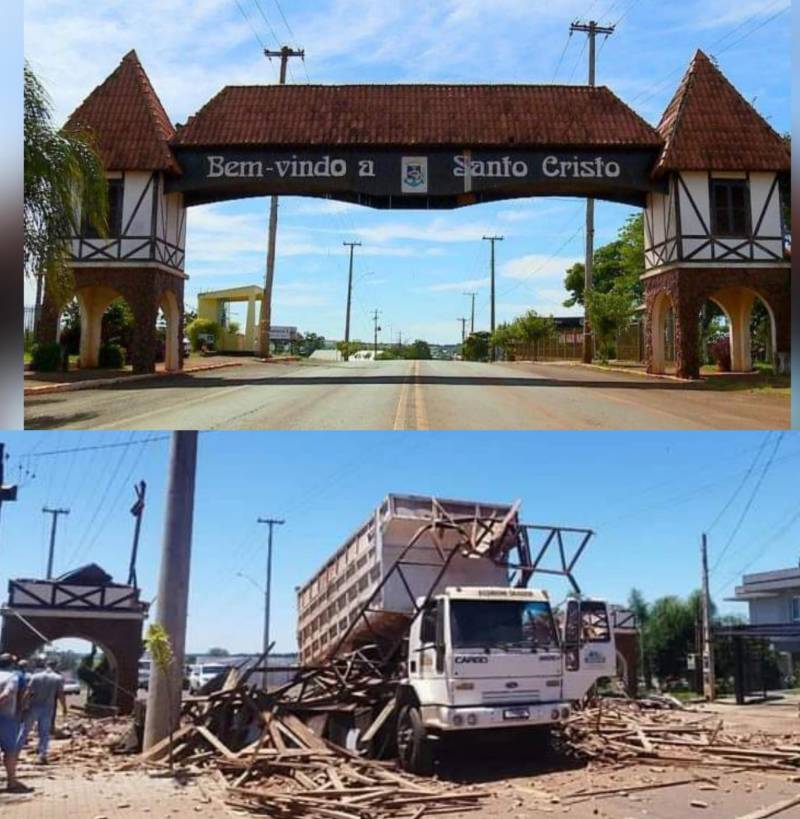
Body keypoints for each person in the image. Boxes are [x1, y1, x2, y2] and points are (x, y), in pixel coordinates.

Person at [17, 658, 66, 765]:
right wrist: (64, 707)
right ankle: (42, 755)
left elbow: (28, 692)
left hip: (34, 706)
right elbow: (61, 694)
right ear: (55, 666)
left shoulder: (35, 676)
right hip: (48, 708)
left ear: (45, 665)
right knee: (44, 732)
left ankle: (15, 753)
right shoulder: (57, 678)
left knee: (25, 730)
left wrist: (22, 705)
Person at [0, 654, 31, 793]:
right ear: (12, 664)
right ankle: (11, 781)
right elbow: (7, 694)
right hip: (6, 717)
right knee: (9, 751)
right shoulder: (12, 677)